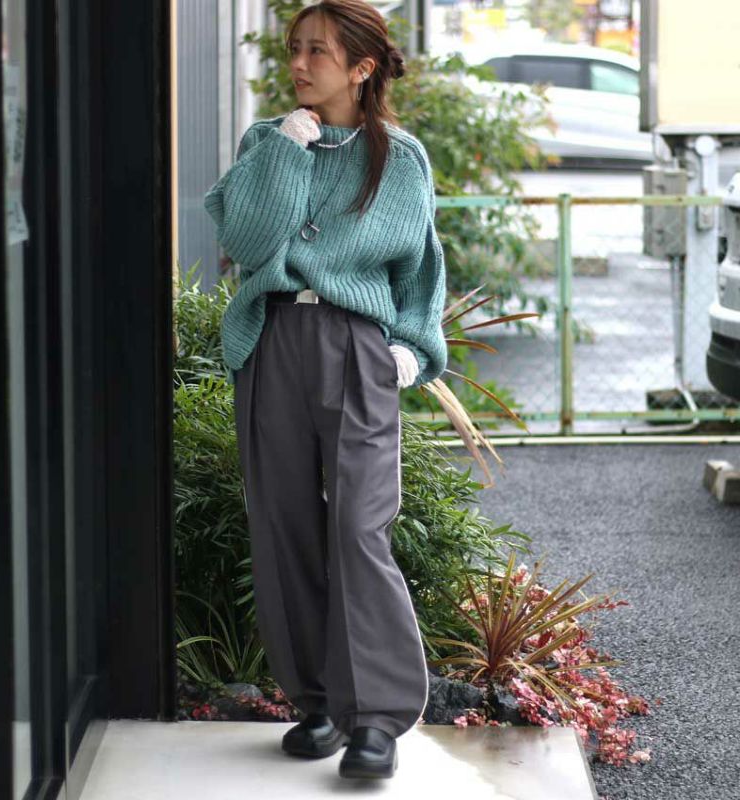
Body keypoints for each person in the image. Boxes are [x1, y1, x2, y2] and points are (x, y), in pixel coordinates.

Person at [203, 0, 447, 780]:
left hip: (356, 349)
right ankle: (316, 703)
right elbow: (244, 241)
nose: (300, 64)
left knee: (358, 528)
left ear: (362, 67)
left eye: (318, 51)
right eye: (295, 49)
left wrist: (408, 351)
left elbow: (421, 271)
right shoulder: (267, 142)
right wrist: (286, 150)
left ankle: (374, 718)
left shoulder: (398, 158)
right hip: (272, 340)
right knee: (282, 524)